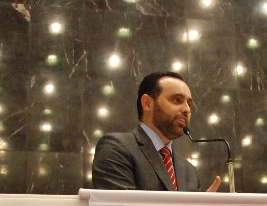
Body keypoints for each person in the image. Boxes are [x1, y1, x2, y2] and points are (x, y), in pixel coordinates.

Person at [92, 71, 221, 192]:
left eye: (189, 104)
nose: (186, 109)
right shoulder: (116, 148)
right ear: (147, 103)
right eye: (177, 100)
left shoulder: (188, 170)